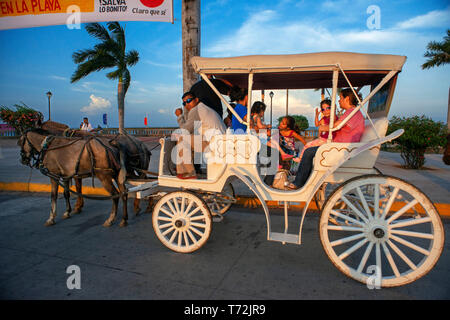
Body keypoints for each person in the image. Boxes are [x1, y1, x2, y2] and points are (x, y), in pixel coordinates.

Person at [288, 88, 365, 190]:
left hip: (340, 149)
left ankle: (299, 183)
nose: (339, 100)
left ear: (347, 99)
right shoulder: (352, 112)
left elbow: (335, 126)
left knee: (308, 151)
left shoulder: (352, 112)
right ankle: (304, 179)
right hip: (338, 146)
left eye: (341, 98)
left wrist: (323, 127)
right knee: (310, 150)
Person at [174, 91, 226, 179]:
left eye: (189, 100)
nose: (187, 104)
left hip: (215, 142)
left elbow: (185, 130)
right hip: (219, 141)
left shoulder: (196, 109)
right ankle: (189, 168)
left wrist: (179, 116)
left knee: (182, 140)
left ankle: (188, 172)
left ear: (196, 100)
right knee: (189, 141)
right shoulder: (203, 108)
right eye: (184, 103)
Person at [294, 99, 336, 163]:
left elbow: (332, 124)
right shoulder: (324, 118)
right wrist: (316, 115)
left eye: (328, 108)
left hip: (327, 139)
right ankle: (302, 159)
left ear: (332, 108)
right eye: (323, 109)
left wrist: (322, 128)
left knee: (307, 145)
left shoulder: (333, 117)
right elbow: (317, 124)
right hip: (322, 139)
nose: (326, 111)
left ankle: (300, 158)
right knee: (309, 145)